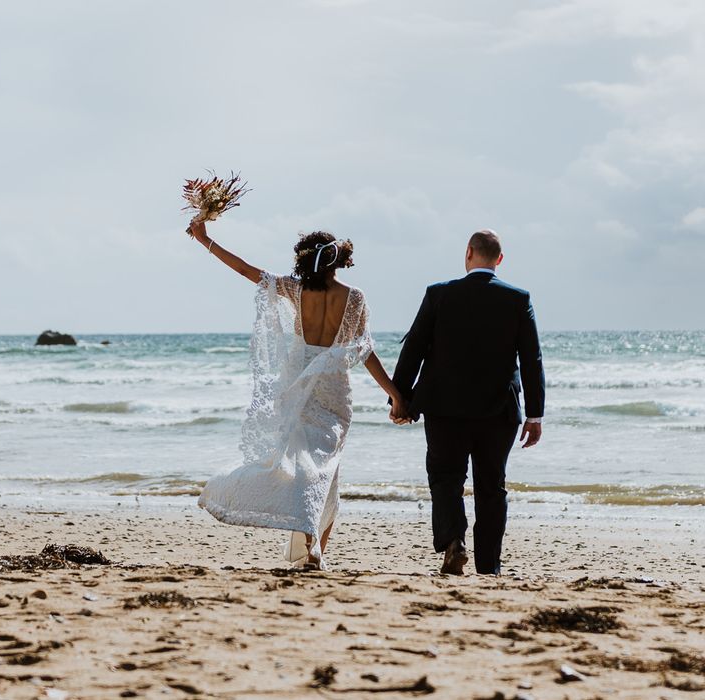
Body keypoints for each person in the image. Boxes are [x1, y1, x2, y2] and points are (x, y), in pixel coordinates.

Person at [187, 220, 406, 569]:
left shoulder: (294, 289)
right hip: (334, 388)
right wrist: (395, 395)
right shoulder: (355, 298)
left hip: (298, 382)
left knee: (306, 465)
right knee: (327, 468)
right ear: (338, 259)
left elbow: (245, 270)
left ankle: (312, 546)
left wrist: (205, 240)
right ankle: (313, 545)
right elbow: (365, 352)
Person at [390, 229, 545, 576]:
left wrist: (399, 397)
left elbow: (413, 348)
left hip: (445, 409)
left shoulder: (439, 295)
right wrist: (535, 414)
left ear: (469, 252)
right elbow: (531, 358)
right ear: (499, 260)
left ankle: (453, 542)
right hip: (499, 412)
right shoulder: (518, 299)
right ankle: (489, 565)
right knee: (492, 486)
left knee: (446, 479)